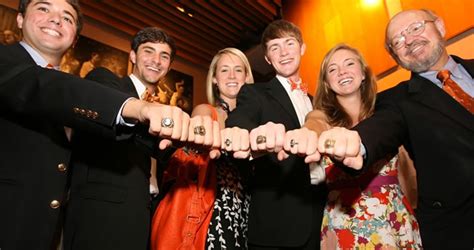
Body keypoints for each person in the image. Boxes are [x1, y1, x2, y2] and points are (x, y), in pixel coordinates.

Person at [0, 0, 191, 249]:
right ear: (20, 19)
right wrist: (139, 108)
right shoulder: (98, 85)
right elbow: (44, 87)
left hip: (46, 227)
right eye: (44, 8)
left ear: (75, 38)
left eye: (68, 17)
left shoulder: (70, 87)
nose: (57, 19)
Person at [317, 9, 474, 249]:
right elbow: (380, 128)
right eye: (398, 40)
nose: (409, 40)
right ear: (394, 56)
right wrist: (355, 143)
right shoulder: (396, 101)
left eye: (415, 28)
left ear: (440, 27)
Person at [63, 27, 178, 250]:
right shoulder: (105, 81)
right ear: (133, 56)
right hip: (99, 219)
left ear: (169, 66)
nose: (156, 60)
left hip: (143, 217)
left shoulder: (164, 110)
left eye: (164, 56)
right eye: (148, 51)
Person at [304, 44, 422, 248]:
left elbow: (406, 174)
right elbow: (313, 124)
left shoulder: (386, 115)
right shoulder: (321, 118)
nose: (342, 72)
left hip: (393, 215)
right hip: (344, 221)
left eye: (349, 63)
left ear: (363, 73)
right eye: (332, 69)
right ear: (326, 82)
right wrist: (306, 133)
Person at [226, 20, 327, 249]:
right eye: (274, 47)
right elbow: (239, 121)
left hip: (320, 217)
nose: (283, 52)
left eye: (289, 43)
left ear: (302, 48)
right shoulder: (255, 93)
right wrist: (250, 134)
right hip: (277, 226)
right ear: (268, 59)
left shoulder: (314, 102)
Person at [151, 47, 253, 249]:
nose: (231, 76)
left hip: (247, 214)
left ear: (247, 76)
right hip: (212, 213)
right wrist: (199, 132)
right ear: (214, 79)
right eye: (224, 70)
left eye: (238, 70)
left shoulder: (255, 122)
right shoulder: (207, 110)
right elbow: (200, 125)